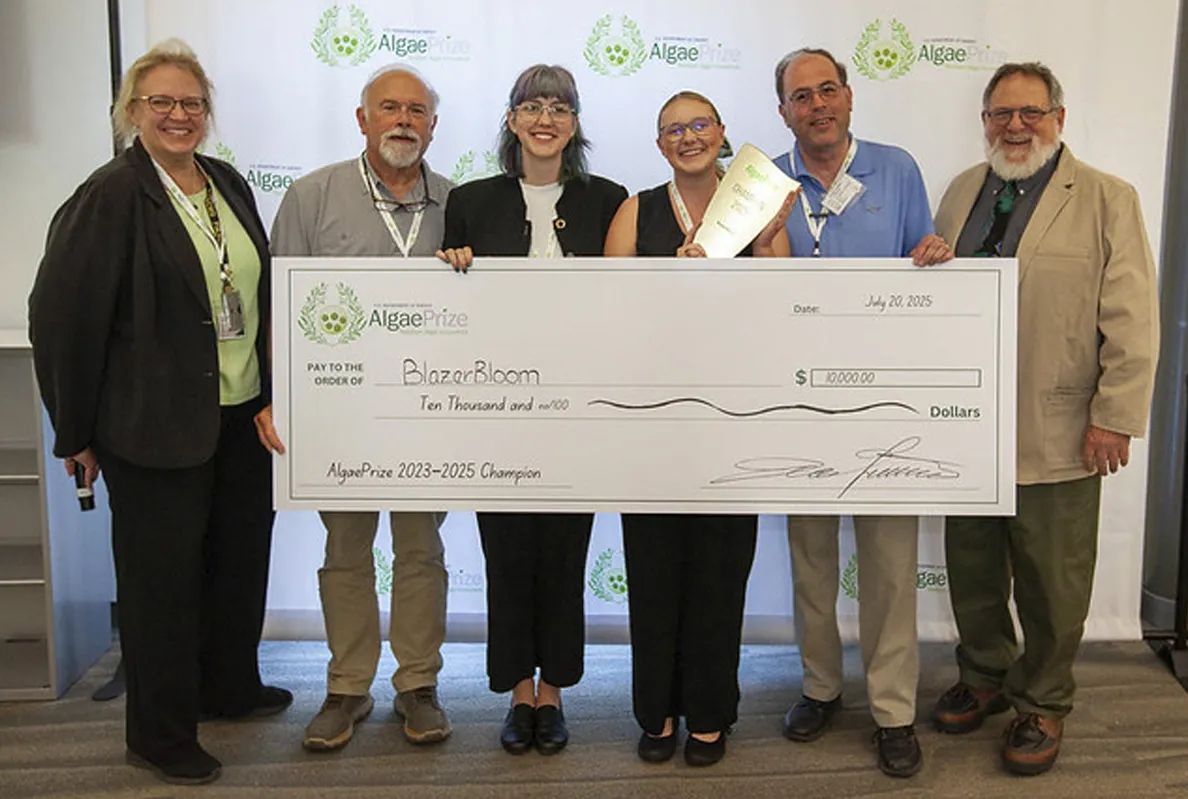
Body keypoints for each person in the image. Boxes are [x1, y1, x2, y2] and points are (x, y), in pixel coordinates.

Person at [27, 39, 289, 786]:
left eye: (192, 103)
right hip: (151, 425)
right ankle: (160, 732)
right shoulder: (111, 194)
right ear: (131, 111)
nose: (179, 115)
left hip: (240, 416)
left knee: (236, 566)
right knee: (161, 586)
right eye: (162, 103)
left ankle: (227, 686)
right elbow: (59, 317)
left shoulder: (227, 182)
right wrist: (72, 429)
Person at [931, 62, 1158, 776]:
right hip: (965, 424)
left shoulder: (1105, 198)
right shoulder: (962, 191)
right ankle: (986, 672)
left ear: (1060, 117)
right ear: (984, 122)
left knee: (1053, 579)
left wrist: (1114, 415)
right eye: (1001, 114)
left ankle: (1044, 700)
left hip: (1058, 425)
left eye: (1030, 112)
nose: (1015, 126)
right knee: (970, 565)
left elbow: (1132, 319)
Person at [770, 46, 952, 779]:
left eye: (827, 91)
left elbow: (923, 265)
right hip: (796, 397)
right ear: (783, 112)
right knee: (811, 557)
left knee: (887, 561)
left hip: (885, 401)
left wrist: (935, 254)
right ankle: (820, 686)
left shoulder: (897, 168)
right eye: (800, 97)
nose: (817, 106)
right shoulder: (762, 181)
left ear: (849, 98)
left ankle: (892, 709)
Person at [437, 63, 627, 756]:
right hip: (499, 405)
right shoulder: (471, 200)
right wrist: (450, 262)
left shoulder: (609, 199)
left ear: (574, 124)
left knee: (565, 551)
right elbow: (451, 302)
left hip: (579, 406)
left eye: (560, 107)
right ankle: (521, 691)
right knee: (508, 551)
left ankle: (557, 689)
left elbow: (626, 299)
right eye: (531, 106)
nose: (545, 118)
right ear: (511, 120)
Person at [265, 64, 453, 751]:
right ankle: (347, 685)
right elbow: (280, 311)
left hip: (425, 413)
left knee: (420, 549)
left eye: (416, 110)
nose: (403, 120)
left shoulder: (456, 202)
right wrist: (277, 399)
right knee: (345, 549)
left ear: (433, 124)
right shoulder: (311, 197)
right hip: (337, 412)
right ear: (362, 118)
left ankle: (417, 683)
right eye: (389, 108)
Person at [603, 90, 794, 767]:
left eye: (699, 124)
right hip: (651, 422)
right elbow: (609, 315)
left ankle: (710, 712)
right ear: (659, 145)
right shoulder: (637, 211)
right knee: (652, 570)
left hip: (731, 420)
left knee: (718, 573)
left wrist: (771, 238)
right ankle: (656, 709)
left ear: (722, 133)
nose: (688, 137)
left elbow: (784, 308)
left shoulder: (758, 209)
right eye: (673, 129)